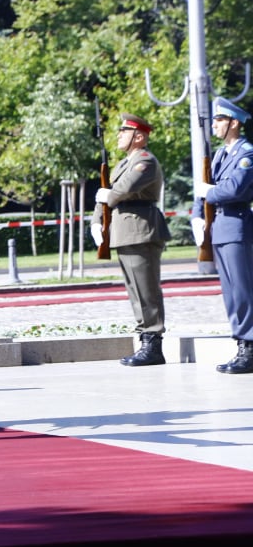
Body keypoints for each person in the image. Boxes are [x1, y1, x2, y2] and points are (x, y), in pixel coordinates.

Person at [91, 113, 171, 367]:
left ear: (138, 137)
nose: (119, 136)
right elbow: (107, 192)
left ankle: (153, 343)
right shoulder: (124, 162)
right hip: (124, 232)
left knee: (146, 290)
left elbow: (120, 190)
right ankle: (145, 340)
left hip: (141, 229)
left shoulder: (144, 161)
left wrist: (107, 196)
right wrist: (96, 221)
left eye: (124, 132)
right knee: (135, 290)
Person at [193, 98, 253, 375]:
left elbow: (234, 190)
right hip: (218, 229)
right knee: (231, 294)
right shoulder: (220, 155)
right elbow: (204, 186)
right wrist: (197, 214)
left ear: (234, 123)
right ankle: (242, 342)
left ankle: (249, 346)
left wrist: (209, 193)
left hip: (237, 227)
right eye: (215, 120)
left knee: (243, 291)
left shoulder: (246, 154)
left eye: (220, 120)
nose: (215, 125)